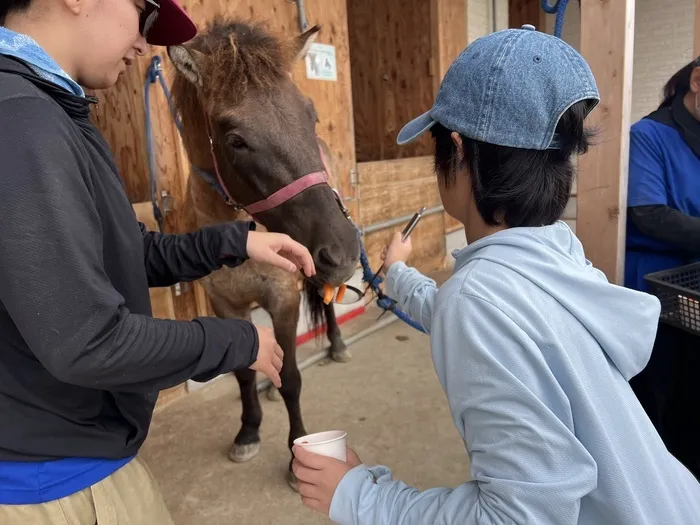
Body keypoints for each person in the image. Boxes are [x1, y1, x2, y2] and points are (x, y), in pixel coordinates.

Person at [291, 25, 700, 525]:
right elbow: (475, 314)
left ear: (458, 150)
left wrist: (358, 496)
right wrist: (398, 273)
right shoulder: (560, 257)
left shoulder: (481, 297)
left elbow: (517, 517)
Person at [0, 0, 317, 522]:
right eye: (144, 15)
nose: (145, 43)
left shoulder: (54, 112)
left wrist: (233, 243)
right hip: (50, 482)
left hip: (74, 453)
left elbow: (119, 252)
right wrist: (237, 341)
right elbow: (87, 342)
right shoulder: (21, 122)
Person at [625, 57, 700, 479]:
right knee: (658, 397)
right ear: (696, 80)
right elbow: (648, 213)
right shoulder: (649, 135)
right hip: (653, 284)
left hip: (694, 282)